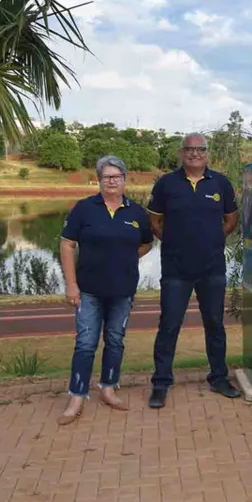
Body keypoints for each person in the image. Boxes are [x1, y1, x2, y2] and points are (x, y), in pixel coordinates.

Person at [57, 155, 154, 425]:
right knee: (86, 344)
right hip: (88, 290)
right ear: (99, 180)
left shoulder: (136, 213)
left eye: (116, 176)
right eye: (106, 177)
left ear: (124, 179)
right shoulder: (84, 209)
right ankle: (77, 396)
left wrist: (122, 258)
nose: (112, 181)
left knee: (115, 341)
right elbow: (67, 244)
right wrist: (71, 284)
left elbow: (146, 244)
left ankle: (108, 388)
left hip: (122, 291)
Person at [146, 132, 240, 408]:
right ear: (181, 153)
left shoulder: (221, 183)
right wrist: (176, 241)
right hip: (176, 269)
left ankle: (219, 378)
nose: (194, 153)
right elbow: (154, 221)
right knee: (169, 326)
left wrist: (212, 239)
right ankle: (161, 383)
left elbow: (231, 219)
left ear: (207, 153)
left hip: (212, 268)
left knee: (214, 325)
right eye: (189, 149)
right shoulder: (166, 183)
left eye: (200, 149)